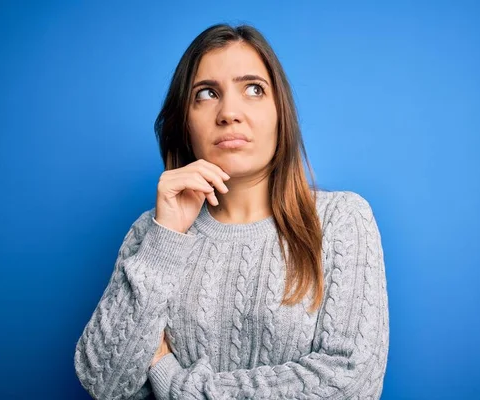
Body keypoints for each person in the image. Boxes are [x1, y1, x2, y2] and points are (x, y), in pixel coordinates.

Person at [74, 23, 389, 399]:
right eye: (206, 94)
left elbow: (351, 385)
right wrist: (167, 237)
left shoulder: (341, 220)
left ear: (280, 114)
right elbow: (104, 383)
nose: (229, 112)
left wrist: (169, 379)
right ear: (184, 123)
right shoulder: (152, 232)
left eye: (253, 89)